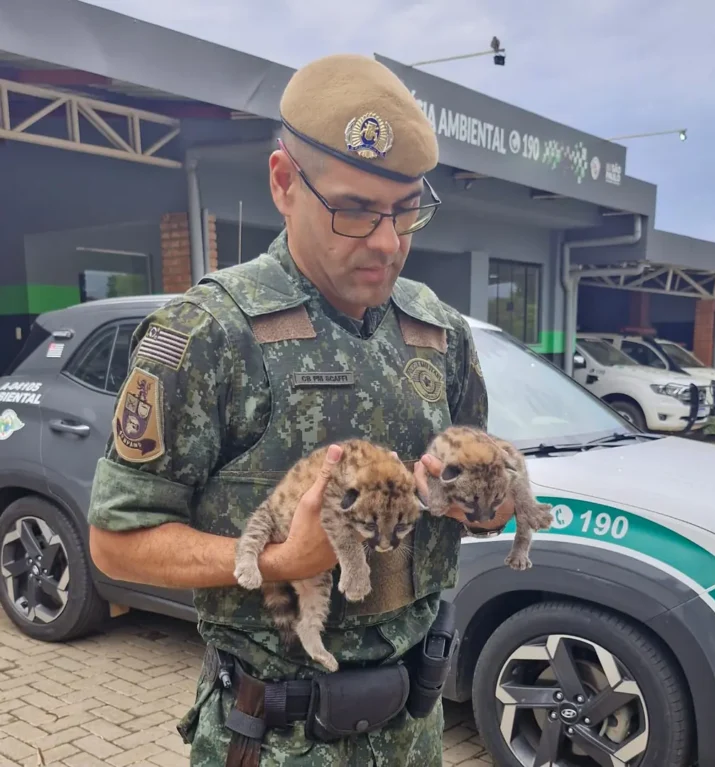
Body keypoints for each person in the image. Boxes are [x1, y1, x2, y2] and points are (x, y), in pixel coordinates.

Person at [87, 52, 514, 766]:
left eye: (406, 209)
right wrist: (281, 557)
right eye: (353, 209)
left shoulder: (440, 334)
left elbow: (477, 491)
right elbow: (116, 538)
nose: (387, 242)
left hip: (415, 730)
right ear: (284, 184)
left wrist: (481, 505)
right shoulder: (208, 333)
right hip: (278, 738)